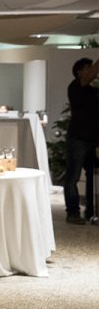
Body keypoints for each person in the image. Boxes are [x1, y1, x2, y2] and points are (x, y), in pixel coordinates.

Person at [63, 57, 98, 225]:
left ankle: (91, 210)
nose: (92, 72)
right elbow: (89, 76)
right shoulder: (76, 86)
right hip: (78, 138)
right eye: (88, 68)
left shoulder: (91, 90)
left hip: (92, 139)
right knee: (73, 177)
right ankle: (72, 212)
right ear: (79, 72)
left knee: (92, 176)